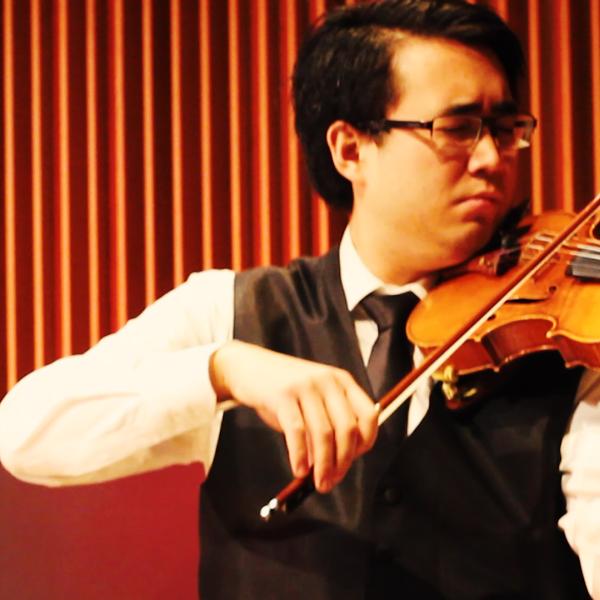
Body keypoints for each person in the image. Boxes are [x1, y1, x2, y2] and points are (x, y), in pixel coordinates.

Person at [1, 0, 599, 597]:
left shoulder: (567, 341)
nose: (493, 159)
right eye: (458, 128)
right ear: (350, 148)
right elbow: (25, 434)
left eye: (505, 128)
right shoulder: (230, 312)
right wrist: (223, 369)